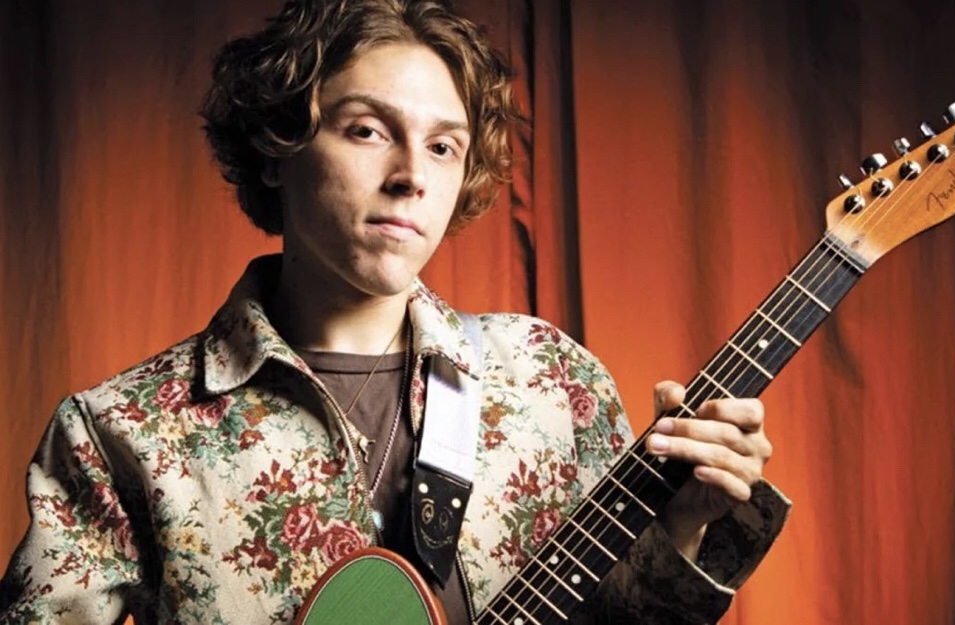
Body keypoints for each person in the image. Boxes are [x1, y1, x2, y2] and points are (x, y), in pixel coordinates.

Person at [0, 0, 789, 622]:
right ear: (277, 147)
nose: (412, 173)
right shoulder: (120, 430)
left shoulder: (552, 381)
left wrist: (682, 526)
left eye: (443, 146)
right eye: (368, 130)